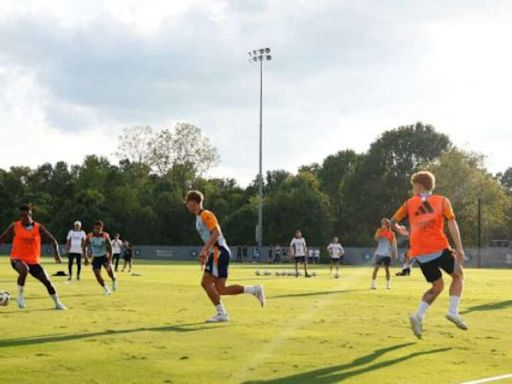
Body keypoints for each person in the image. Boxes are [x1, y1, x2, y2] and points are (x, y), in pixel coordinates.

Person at [390, 171, 467, 338]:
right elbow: (452, 224)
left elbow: (392, 222)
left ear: (419, 186)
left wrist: (399, 229)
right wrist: (459, 248)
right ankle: (453, 312)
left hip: (420, 253)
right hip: (438, 247)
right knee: (458, 276)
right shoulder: (442, 201)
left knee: (437, 286)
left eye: (413, 186)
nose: (412, 190)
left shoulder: (409, 203)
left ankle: (418, 315)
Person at [185, 190, 265, 323]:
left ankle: (222, 313)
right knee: (221, 289)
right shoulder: (199, 218)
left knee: (205, 283)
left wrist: (205, 250)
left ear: (193, 202)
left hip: (219, 251)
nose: (186, 205)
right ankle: (254, 290)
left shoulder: (206, 214)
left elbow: (216, 233)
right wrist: (206, 253)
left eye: (187, 202)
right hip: (217, 252)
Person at [0, 204, 66, 310]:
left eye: (24, 216)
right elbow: (2, 238)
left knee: (47, 282)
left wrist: (57, 254)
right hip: (17, 258)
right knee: (24, 270)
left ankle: (57, 303)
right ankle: (20, 296)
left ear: (30, 215)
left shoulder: (38, 227)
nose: (22, 218)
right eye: (20, 216)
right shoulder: (15, 226)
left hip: (33, 261)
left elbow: (52, 240)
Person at [83, 221, 118, 295]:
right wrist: (85, 257)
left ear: (101, 229)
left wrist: (109, 261)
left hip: (104, 256)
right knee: (97, 274)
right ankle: (106, 289)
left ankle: (114, 280)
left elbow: (111, 249)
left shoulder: (105, 236)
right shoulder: (90, 236)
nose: (97, 230)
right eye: (96, 228)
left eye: (99, 228)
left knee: (109, 272)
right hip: (95, 257)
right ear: (93, 228)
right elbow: (84, 246)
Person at [371, 218, 397, 289]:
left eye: (385, 224)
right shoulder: (379, 230)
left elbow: (393, 244)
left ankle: (388, 284)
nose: (383, 225)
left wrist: (394, 253)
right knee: (376, 268)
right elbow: (376, 239)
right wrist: (380, 233)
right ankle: (373, 284)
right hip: (379, 253)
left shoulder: (392, 233)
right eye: (382, 224)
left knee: (387, 269)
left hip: (387, 254)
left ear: (388, 225)